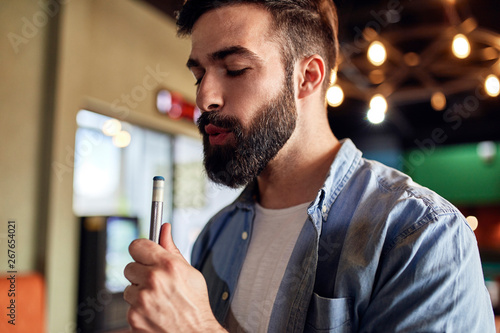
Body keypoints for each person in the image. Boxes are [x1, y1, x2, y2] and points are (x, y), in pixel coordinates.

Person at [123, 0, 496, 332]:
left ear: (308, 77)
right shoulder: (215, 235)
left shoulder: (421, 235)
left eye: (235, 69)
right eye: (199, 74)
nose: (205, 97)